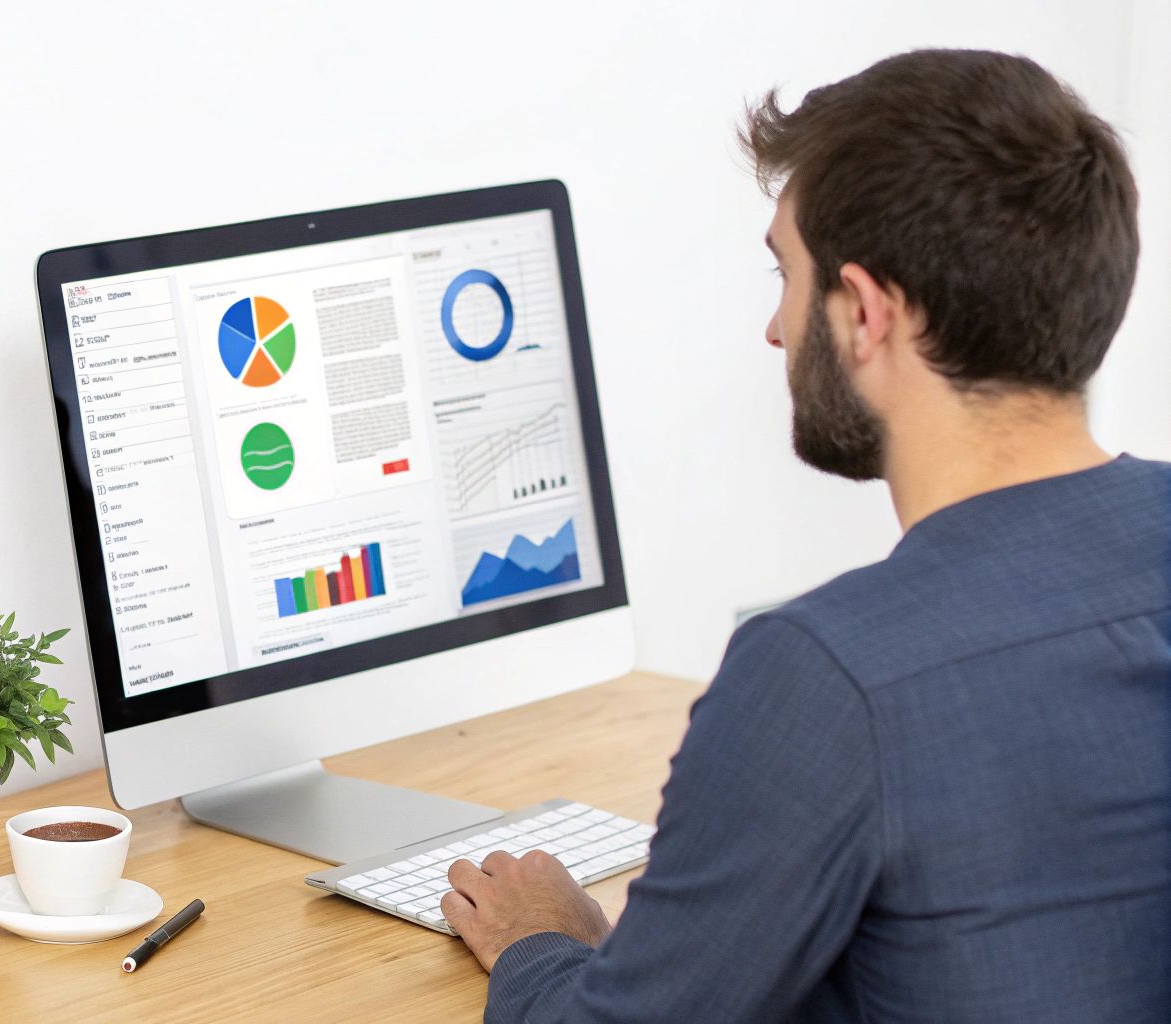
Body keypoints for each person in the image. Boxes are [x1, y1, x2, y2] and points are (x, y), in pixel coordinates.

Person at [442, 48, 1170, 1023]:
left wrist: (539, 940)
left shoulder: (828, 680)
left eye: (785, 273)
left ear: (864, 312)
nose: (775, 329)